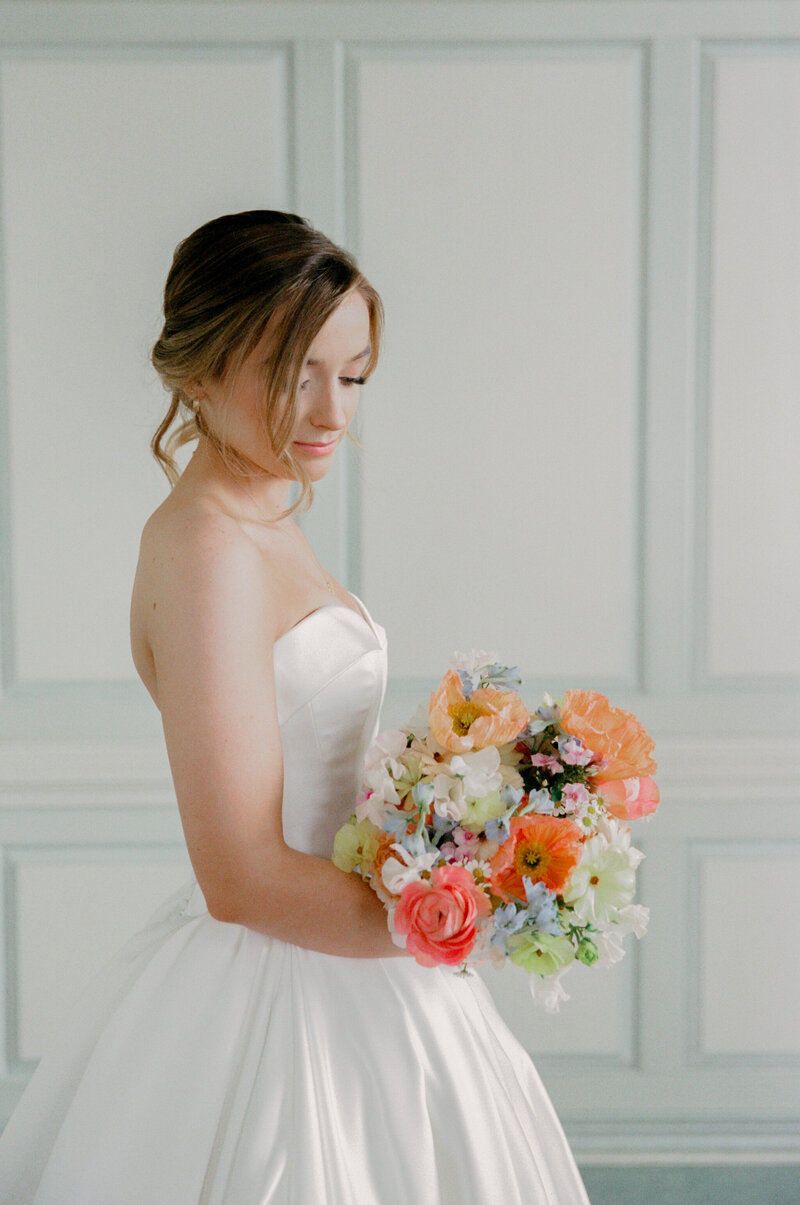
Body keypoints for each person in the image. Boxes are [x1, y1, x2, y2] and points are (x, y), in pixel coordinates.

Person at [0, 210, 590, 1203]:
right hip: (284, 968)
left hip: (354, 939)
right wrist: (459, 907)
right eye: (290, 372)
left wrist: (449, 833)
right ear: (193, 370)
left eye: (350, 373)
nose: (329, 410)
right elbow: (238, 874)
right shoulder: (205, 548)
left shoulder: (257, 513)